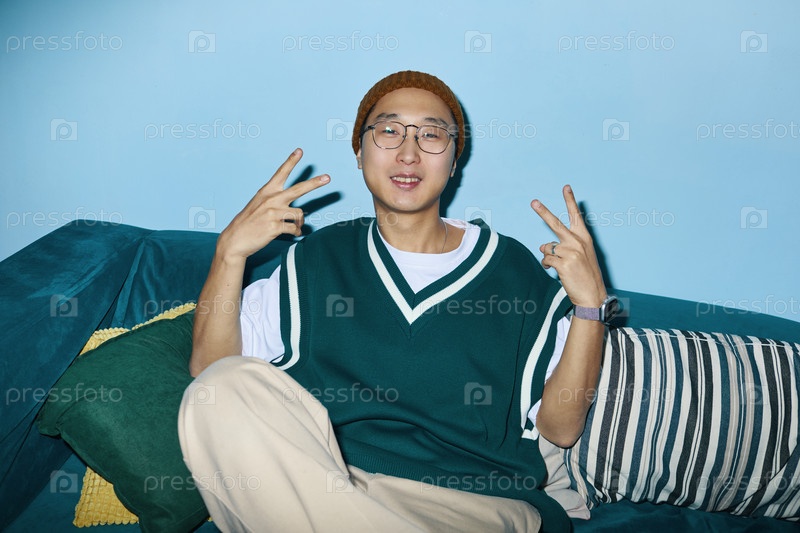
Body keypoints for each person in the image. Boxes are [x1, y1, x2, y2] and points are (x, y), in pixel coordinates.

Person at [179, 70, 615, 532]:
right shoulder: (317, 258)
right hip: (332, 483)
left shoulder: (513, 270)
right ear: (359, 152)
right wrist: (229, 254)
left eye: (431, 135)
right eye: (388, 131)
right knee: (221, 387)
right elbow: (209, 370)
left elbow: (561, 428)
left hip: (474, 502)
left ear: (454, 161)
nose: (408, 152)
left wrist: (591, 305)